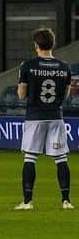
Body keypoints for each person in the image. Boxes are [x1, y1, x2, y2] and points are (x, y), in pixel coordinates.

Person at [14, 28, 73, 210]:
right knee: (61, 158)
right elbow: (66, 94)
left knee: (30, 158)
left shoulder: (28, 66)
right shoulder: (64, 67)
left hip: (35, 117)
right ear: (53, 44)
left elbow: (22, 95)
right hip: (56, 116)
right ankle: (66, 201)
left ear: (36, 45)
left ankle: (27, 202)